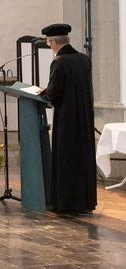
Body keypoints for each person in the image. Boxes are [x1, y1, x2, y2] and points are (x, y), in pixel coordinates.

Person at [40, 23, 97, 214]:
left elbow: (53, 94)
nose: (49, 46)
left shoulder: (59, 62)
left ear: (55, 42)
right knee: (82, 158)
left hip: (67, 120)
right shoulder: (84, 59)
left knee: (66, 159)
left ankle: (66, 203)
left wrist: (43, 94)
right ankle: (85, 203)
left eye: (49, 42)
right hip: (84, 119)